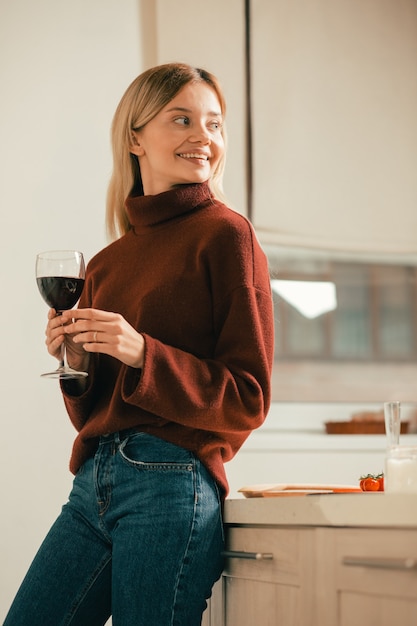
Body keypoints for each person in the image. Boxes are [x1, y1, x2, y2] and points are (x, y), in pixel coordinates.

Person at [5, 62, 274, 626]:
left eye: (214, 124)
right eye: (182, 119)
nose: (203, 137)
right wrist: (75, 364)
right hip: (93, 482)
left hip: (172, 483)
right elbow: (95, 413)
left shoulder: (227, 235)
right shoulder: (106, 263)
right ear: (135, 137)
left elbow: (247, 397)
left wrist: (141, 352)